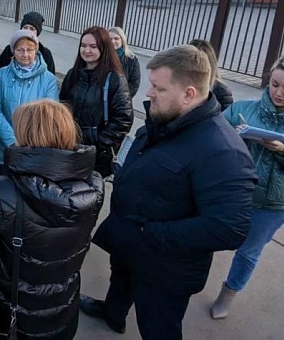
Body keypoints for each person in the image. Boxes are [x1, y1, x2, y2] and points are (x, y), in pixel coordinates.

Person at [79, 45, 257, 340]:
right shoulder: (168, 118)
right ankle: (113, 314)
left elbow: (230, 228)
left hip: (165, 269)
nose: (148, 93)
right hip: (129, 244)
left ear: (189, 93)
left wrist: (150, 234)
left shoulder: (222, 151)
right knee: (120, 282)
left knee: (158, 328)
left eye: (158, 88)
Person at [0, 99, 104, 339]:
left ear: (27, 135)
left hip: (5, 310)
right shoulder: (93, 186)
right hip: (61, 306)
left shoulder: (3, 191)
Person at [210, 53, 284, 319]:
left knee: (248, 252)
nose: (278, 93)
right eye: (274, 84)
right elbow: (212, 136)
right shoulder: (244, 109)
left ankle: (228, 293)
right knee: (208, 234)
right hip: (235, 192)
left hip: (272, 204)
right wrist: (235, 137)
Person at [59, 26, 133, 178]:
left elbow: (123, 119)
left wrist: (99, 142)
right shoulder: (73, 74)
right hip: (69, 147)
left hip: (96, 156)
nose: (87, 50)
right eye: (83, 45)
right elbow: (62, 106)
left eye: (93, 46)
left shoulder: (114, 79)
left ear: (104, 48)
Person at [0, 29, 58, 176]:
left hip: (34, 149)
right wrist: (13, 141)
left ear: (36, 51)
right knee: (2, 193)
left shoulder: (49, 79)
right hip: (5, 148)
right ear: (13, 51)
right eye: (20, 50)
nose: (25, 54)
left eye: (29, 50)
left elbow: (49, 116)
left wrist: (29, 142)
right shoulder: (2, 74)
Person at [0, 11, 56, 79]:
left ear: (38, 32)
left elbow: (50, 80)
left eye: (32, 29)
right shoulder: (9, 50)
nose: (27, 31)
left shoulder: (45, 54)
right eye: (25, 27)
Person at [189, 38, 233, 111]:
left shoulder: (221, 91)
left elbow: (226, 118)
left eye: (202, 62)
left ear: (210, 63)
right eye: (192, 61)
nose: (197, 66)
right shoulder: (176, 83)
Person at [109, 26, 141, 98]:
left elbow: (134, 83)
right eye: (110, 39)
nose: (112, 41)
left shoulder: (132, 59)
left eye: (116, 38)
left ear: (122, 40)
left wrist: (122, 98)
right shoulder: (100, 56)